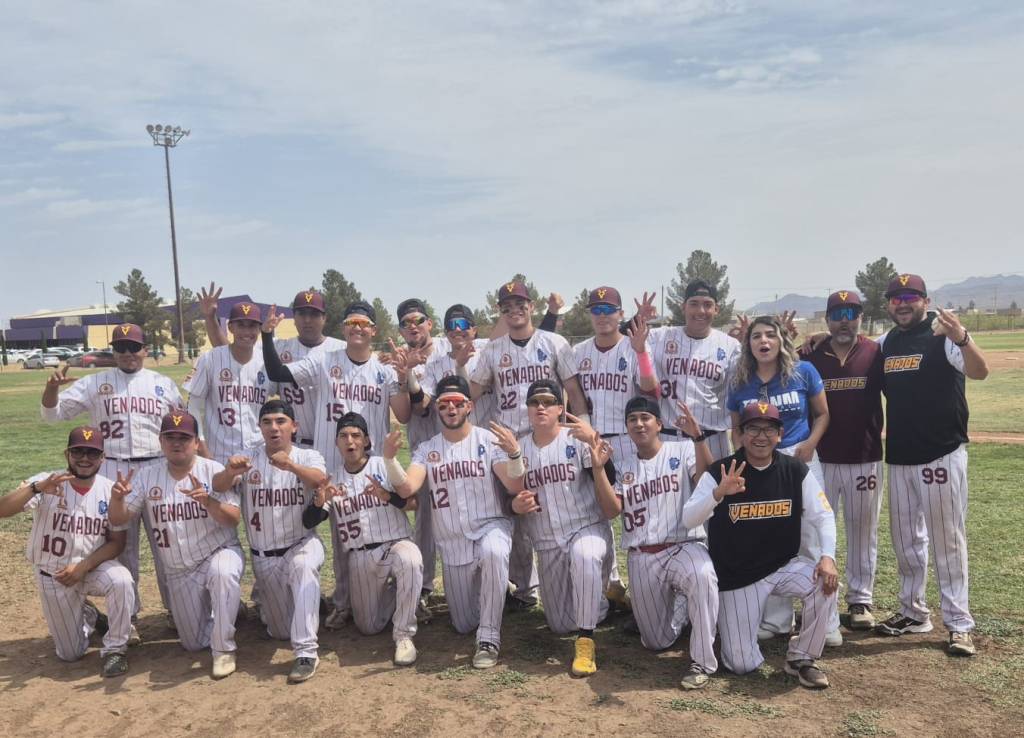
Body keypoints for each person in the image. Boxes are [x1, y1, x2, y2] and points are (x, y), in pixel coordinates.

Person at [260, 300, 412, 629]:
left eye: (364, 324)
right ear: (343, 329)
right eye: (351, 323)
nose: (357, 328)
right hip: (333, 462)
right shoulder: (325, 359)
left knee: (381, 528)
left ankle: (398, 589)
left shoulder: (384, 372)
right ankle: (344, 599)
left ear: (373, 330)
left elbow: (403, 414)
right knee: (344, 534)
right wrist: (268, 336)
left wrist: (402, 377)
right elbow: (277, 373)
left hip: (371, 466)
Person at [682, 403, 840, 690]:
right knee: (741, 664)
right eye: (753, 428)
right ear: (740, 434)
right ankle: (730, 637)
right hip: (737, 576)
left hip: (783, 565)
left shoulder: (795, 470)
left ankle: (802, 658)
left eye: (769, 429)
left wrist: (827, 556)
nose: (761, 436)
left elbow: (824, 514)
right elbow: (688, 518)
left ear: (780, 434)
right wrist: (718, 493)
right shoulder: (721, 470)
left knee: (825, 582)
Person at [41, 322, 183, 637]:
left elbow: (184, 428)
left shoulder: (163, 383)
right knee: (122, 547)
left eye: (134, 347)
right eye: (121, 347)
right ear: (113, 351)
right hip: (113, 470)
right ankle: (127, 617)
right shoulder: (96, 383)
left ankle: (178, 609)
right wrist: (52, 388)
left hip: (157, 467)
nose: (128, 353)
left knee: (166, 543)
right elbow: (52, 415)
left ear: (146, 349)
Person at [874, 274, 989, 656]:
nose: (902, 303)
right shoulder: (887, 342)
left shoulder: (943, 335)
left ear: (925, 300)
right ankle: (913, 612)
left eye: (910, 296)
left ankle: (958, 623)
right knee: (906, 542)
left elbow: (979, 371)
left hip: (941, 451)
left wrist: (963, 338)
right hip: (902, 456)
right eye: (895, 298)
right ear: (888, 304)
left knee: (947, 540)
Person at [468, 281, 588, 609]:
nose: (514, 310)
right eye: (506, 306)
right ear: (500, 312)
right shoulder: (492, 351)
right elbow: (472, 393)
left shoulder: (554, 342)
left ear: (531, 306)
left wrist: (585, 428)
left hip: (548, 438)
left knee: (561, 507)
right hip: (509, 442)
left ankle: (581, 578)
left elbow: (573, 391)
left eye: (519, 303)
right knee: (517, 515)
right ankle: (524, 589)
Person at [382, 376, 513, 669]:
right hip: (453, 544)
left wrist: (514, 454)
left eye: (457, 403)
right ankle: (491, 593)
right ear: (438, 409)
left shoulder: (488, 440)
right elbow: (406, 489)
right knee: (463, 623)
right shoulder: (427, 449)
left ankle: (489, 638)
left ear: (469, 406)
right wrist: (390, 461)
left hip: (490, 528)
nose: (451, 409)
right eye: (444, 404)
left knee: (494, 551)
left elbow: (514, 485)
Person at [591, 396, 719, 690]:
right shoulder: (624, 465)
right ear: (626, 427)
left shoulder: (682, 448)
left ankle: (702, 661)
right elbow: (612, 510)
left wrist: (699, 438)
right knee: (654, 641)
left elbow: (705, 478)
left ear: (659, 424)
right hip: (643, 555)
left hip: (684, 544)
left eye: (645, 418)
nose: (639, 423)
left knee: (703, 576)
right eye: (632, 419)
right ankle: (684, 609)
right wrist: (599, 470)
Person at [108, 411, 244, 679]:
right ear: (161, 441)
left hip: (218, 551)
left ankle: (224, 648)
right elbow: (119, 519)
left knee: (223, 573)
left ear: (196, 442)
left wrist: (208, 501)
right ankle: (225, 612)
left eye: (184, 437)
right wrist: (117, 500)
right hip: (179, 569)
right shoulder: (148, 476)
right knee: (192, 643)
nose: (177, 443)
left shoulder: (214, 471)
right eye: (171, 437)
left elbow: (233, 520)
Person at [726, 314, 836, 644]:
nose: (764, 341)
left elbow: (823, 414)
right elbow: (736, 427)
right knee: (769, 537)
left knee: (811, 535)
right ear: (748, 344)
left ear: (780, 340)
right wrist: (743, 455)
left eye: (770, 335)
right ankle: (776, 620)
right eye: (756, 336)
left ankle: (826, 621)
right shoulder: (740, 380)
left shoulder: (803, 371)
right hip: (759, 461)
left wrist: (810, 444)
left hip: (798, 458)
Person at [498, 379, 616, 677]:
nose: (541, 406)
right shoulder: (518, 448)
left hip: (586, 527)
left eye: (548, 402)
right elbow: (507, 500)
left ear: (560, 409)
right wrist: (516, 506)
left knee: (586, 556)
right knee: (560, 623)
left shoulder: (576, 439)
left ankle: (586, 641)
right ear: (527, 409)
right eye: (534, 402)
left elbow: (610, 487)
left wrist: (593, 443)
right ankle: (599, 605)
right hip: (547, 540)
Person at [0, 426, 134, 678]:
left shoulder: (109, 489)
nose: (85, 458)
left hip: (93, 569)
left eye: (92, 453)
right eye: (78, 452)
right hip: (54, 574)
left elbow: (117, 543)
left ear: (102, 458)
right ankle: (90, 614)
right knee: (70, 654)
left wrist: (83, 566)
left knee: (121, 580)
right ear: (67, 454)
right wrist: (36, 488)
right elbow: (3, 510)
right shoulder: (47, 481)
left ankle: (115, 649)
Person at [211, 399, 328, 683]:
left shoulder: (307, 455)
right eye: (267, 422)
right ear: (260, 427)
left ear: (294, 426)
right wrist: (229, 471)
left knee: (303, 568)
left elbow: (319, 480)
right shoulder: (248, 459)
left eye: (280, 421)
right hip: (264, 556)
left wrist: (291, 466)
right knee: (278, 632)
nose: (274, 428)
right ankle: (302, 604)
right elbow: (217, 485)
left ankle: (306, 653)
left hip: (300, 544)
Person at [303, 412, 422, 665]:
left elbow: (413, 502)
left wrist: (388, 496)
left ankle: (403, 635)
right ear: (337, 443)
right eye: (344, 436)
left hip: (395, 543)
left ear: (366, 440)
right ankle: (404, 594)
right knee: (368, 626)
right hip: (360, 556)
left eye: (356, 435)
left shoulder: (383, 465)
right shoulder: (331, 480)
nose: (351, 441)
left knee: (411, 559)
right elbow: (311, 521)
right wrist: (319, 499)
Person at [803, 290, 884, 630]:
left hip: (865, 458)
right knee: (819, 533)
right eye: (837, 314)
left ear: (860, 318)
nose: (844, 319)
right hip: (821, 460)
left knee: (862, 531)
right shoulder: (810, 354)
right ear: (827, 319)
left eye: (851, 312)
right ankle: (824, 599)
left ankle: (861, 600)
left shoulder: (875, 352)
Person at [643, 280, 742, 461]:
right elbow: (623, 337)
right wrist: (638, 318)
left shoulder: (731, 346)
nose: (700, 311)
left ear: (716, 309)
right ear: (683, 307)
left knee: (714, 490)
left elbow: (740, 395)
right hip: (669, 439)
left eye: (707, 305)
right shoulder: (660, 336)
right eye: (694, 304)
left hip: (712, 439)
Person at [184, 302, 278, 463]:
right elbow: (193, 406)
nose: (247, 331)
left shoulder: (267, 359)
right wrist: (201, 447)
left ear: (259, 329)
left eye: (252, 326)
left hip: (258, 453)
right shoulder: (210, 358)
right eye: (241, 325)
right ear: (230, 327)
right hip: (218, 454)